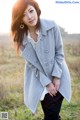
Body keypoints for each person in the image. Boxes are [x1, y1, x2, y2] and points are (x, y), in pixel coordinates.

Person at [10, 0, 71, 120]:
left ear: (36, 10)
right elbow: (33, 65)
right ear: (20, 19)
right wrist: (47, 83)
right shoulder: (20, 39)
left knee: (51, 115)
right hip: (40, 80)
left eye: (31, 11)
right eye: (23, 14)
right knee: (51, 114)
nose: (29, 17)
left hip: (58, 75)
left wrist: (57, 77)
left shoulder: (52, 26)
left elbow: (59, 53)